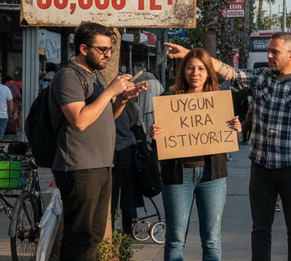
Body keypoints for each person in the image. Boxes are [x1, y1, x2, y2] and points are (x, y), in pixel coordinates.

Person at [165, 33, 291, 261]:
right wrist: (191, 54)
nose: (268, 55)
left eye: (274, 52)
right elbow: (231, 72)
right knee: (260, 229)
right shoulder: (261, 77)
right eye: (268, 50)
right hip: (261, 168)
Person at [51, 22, 146, 260]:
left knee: (93, 237)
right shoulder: (69, 76)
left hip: (102, 165)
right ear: (83, 49)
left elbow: (104, 117)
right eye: (102, 49)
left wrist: (121, 99)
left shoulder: (97, 76)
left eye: (110, 49)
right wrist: (110, 91)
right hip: (79, 166)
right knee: (77, 238)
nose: (108, 54)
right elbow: (80, 121)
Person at [150, 49, 242, 261]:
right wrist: (155, 134)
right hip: (177, 175)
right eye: (190, 67)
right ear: (183, 71)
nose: (195, 73)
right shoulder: (169, 99)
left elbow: (225, 132)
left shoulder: (218, 100)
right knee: (175, 239)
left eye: (201, 68)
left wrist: (236, 127)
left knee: (211, 240)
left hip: (212, 176)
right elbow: (160, 137)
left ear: (209, 72)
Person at [111, 92, 143, 235]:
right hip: (127, 148)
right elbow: (135, 122)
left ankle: (112, 228)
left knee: (112, 193)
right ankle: (128, 228)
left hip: (113, 150)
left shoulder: (106, 102)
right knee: (128, 192)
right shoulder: (127, 104)